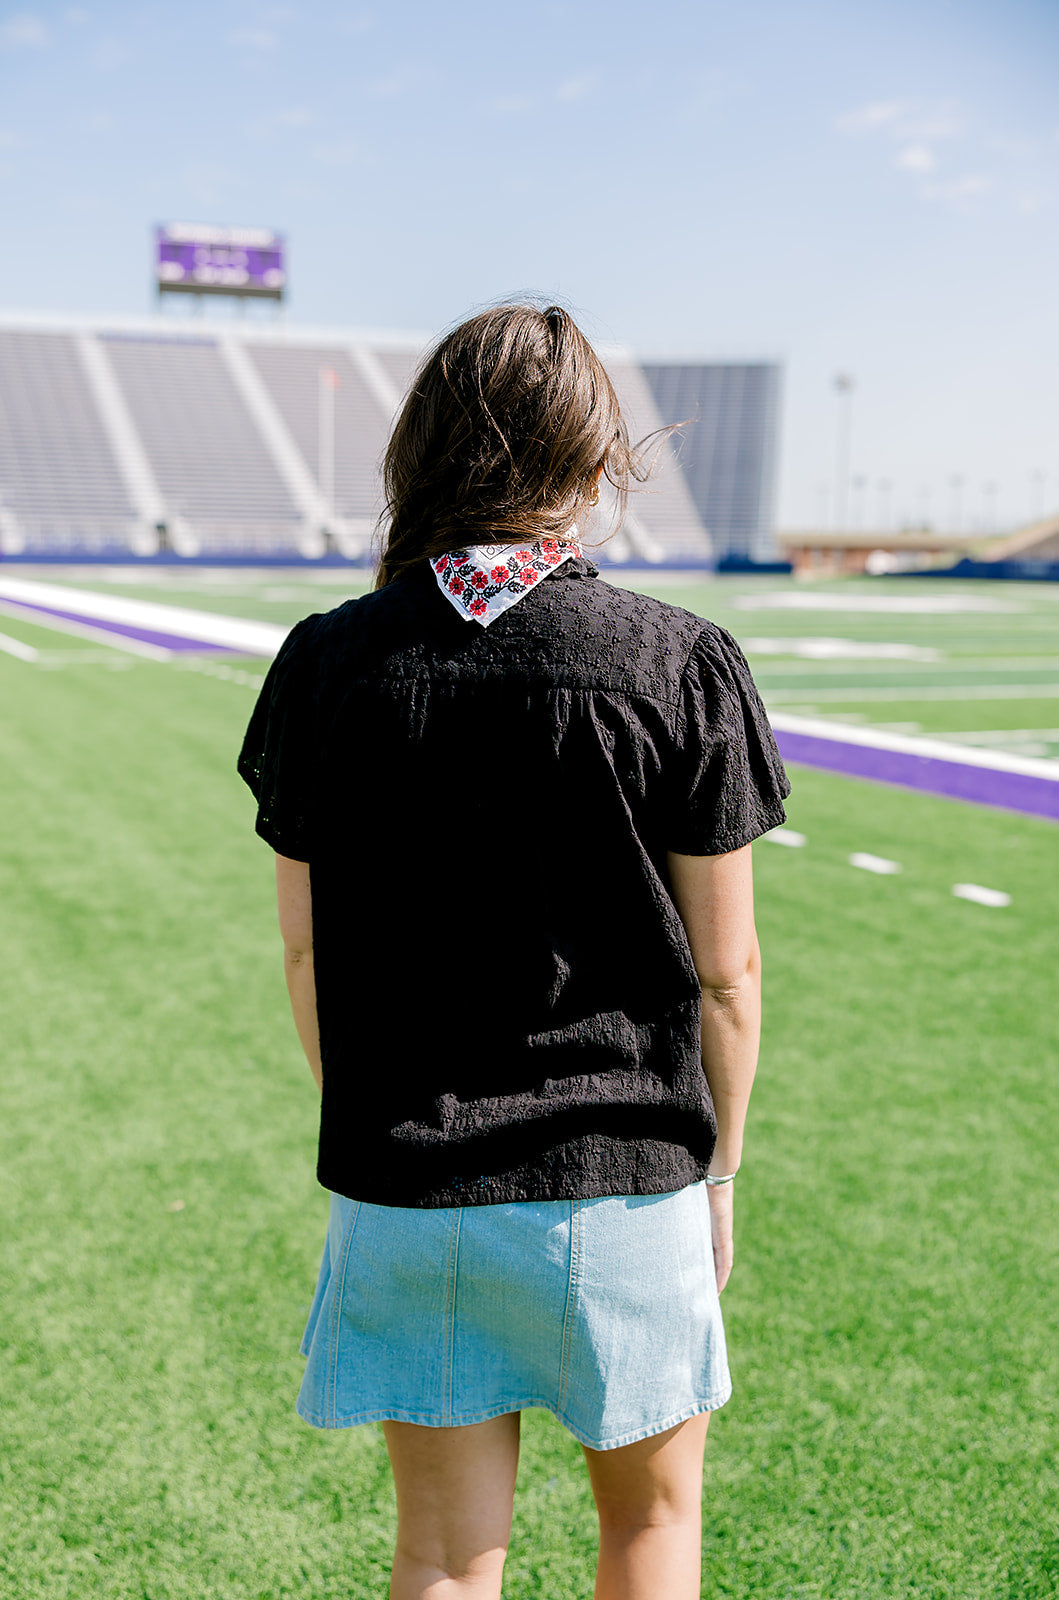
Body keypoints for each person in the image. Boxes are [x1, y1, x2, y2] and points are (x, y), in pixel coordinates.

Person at [238, 302, 789, 1600]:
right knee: (649, 1530)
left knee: (441, 1556)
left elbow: (307, 958)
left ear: (419, 457)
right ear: (596, 461)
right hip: (625, 1174)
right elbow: (727, 975)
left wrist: (379, 1123)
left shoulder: (327, 661)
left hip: (408, 1176)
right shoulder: (678, 659)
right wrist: (718, 1175)